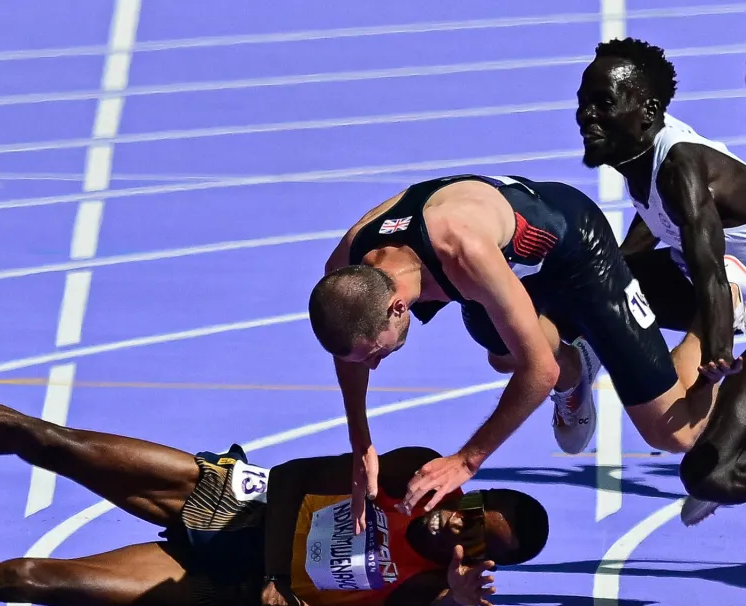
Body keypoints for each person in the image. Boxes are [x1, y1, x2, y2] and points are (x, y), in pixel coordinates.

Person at [0, 338, 549, 606]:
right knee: (47, 439)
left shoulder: (427, 588)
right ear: (471, 494)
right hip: (234, 503)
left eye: (479, 545)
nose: (457, 531)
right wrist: (281, 573)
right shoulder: (415, 472)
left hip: (216, 581)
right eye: (472, 516)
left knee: (24, 579)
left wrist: (448, 605)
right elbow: (302, 478)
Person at [309, 171, 740, 533]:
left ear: (397, 306)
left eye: (374, 354)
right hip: (512, 266)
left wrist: (467, 460)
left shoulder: (462, 253)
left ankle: (724, 301)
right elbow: (349, 353)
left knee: (675, 434)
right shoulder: (345, 270)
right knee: (502, 354)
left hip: (576, 251)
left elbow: (539, 372)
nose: (372, 364)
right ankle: (582, 363)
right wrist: (360, 442)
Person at [576, 37, 746, 525]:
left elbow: (711, 271)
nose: (587, 113)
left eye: (602, 103)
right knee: (587, 279)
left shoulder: (681, 167)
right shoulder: (639, 150)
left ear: (645, 110)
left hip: (724, 289)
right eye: (583, 101)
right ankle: (579, 367)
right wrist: (608, 278)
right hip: (720, 285)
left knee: (711, 476)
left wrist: (716, 357)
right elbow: (656, 223)